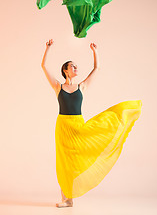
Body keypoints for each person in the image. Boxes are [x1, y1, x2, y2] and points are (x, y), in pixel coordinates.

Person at [41, 39, 142, 208]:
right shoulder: (58, 87)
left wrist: (94, 51)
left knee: (78, 158)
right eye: (72, 66)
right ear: (65, 70)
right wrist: (48, 48)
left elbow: (97, 68)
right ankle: (67, 199)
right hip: (64, 127)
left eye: (76, 66)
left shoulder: (82, 87)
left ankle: (71, 196)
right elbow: (43, 66)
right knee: (65, 161)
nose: (76, 68)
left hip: (79, 125)